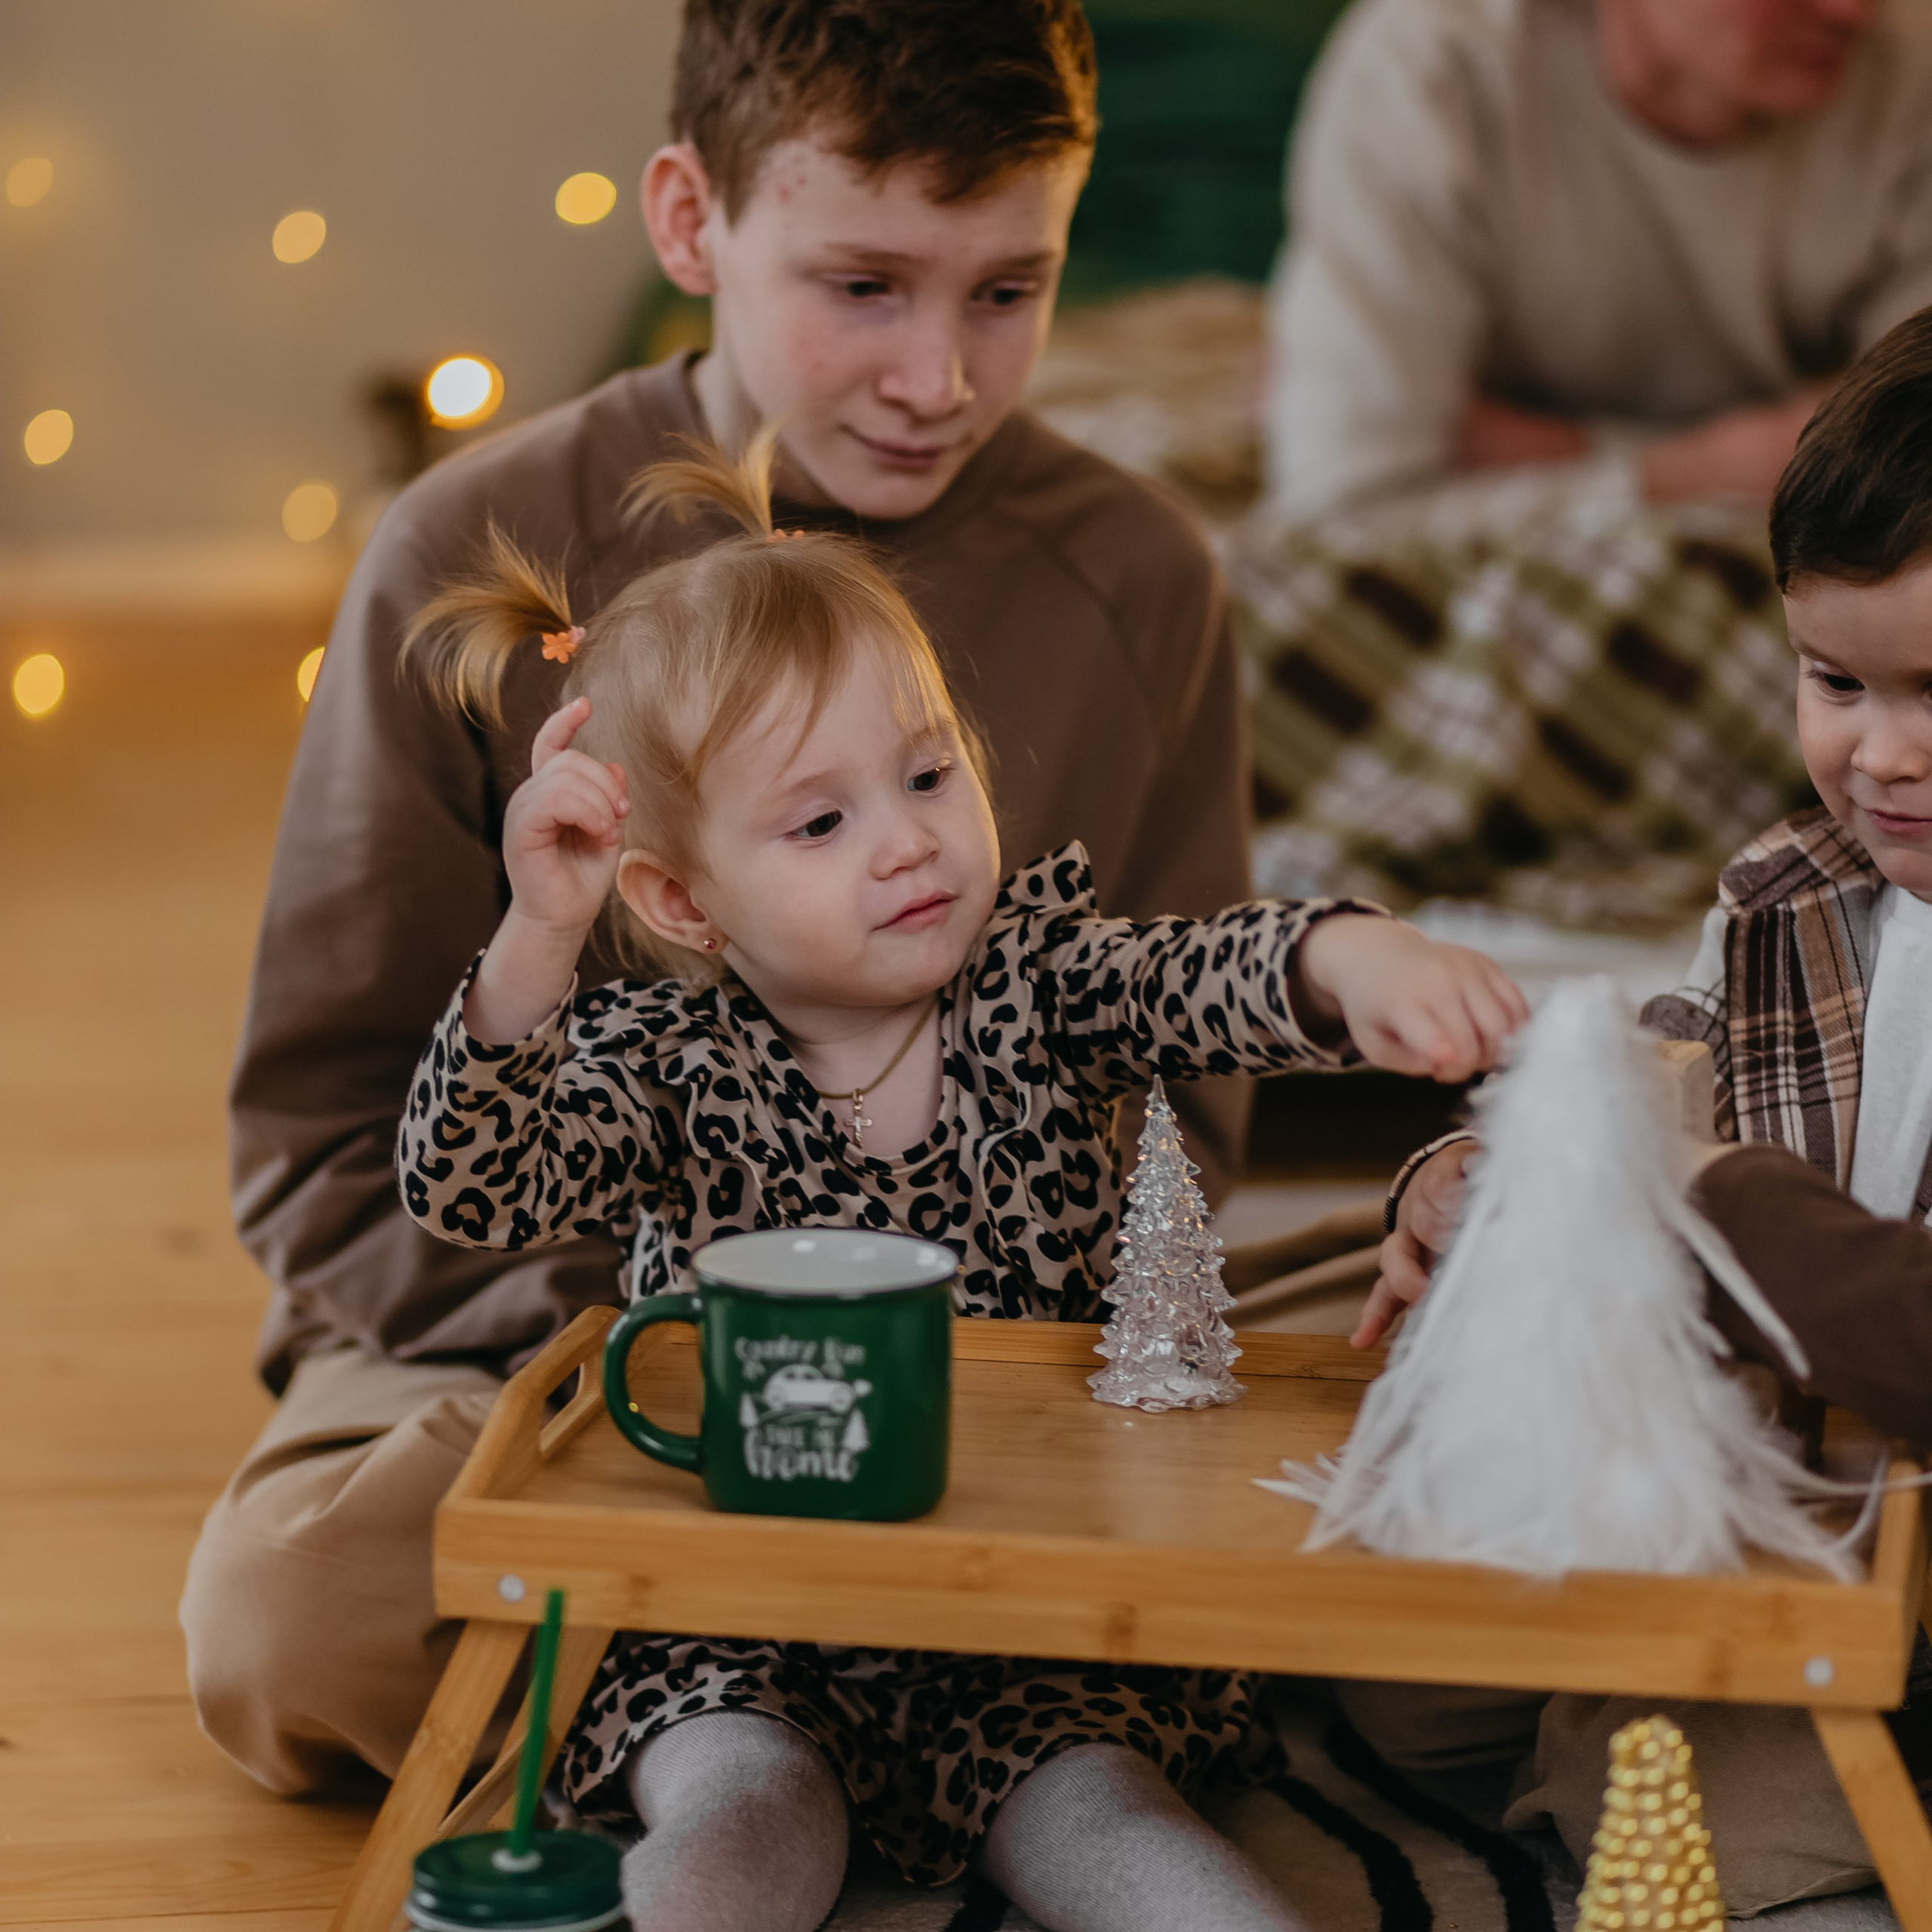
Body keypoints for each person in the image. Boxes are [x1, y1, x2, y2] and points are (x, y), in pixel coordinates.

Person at [183, 0, 1261, 1799]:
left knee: (1436, 1501)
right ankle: (859, 1718)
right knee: (294, 1615)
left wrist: (970, 1365)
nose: (940, 374)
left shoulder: (1140, 571)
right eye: (863, 287)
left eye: (1008, 289)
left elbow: (1182, 1125)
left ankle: (796, 1729)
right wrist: (675, 1371)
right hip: (569, 1335)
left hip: (1005, 1324)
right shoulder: (461, 558)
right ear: (689, 224)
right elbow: (321, 1137)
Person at [392, 431, 1526, 1932]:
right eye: (819, 820)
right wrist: (537, 935)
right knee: (741, 1818)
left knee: (1115, 1822)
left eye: (927, 768)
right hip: (750, 1618)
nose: (908, 839)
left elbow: (1198, 972)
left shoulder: (1043, 981)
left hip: (1028, 1621)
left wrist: (1346, 957)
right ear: (680, 898)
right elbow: (463, 1186)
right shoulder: (661, 1054)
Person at [1365, 306, 1932, 1912]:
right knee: (1390, 1660)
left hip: (1899, 1541)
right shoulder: (1785, 898)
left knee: (1689, 1792)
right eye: (1831, 678)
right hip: (1780, 1497)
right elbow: (1641, 1087)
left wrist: (1677, 1193)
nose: (1876, 754)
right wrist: (1473, 1180)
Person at [1235, 0, 1932, 928]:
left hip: (1781, 558)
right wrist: (1697, 466)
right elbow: (1336, 515)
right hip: (1677, 543)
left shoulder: (1913, 58)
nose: (1850, 9)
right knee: (1228, 616)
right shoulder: (1437, 64)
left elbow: (1907, 470)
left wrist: (1532, 448)